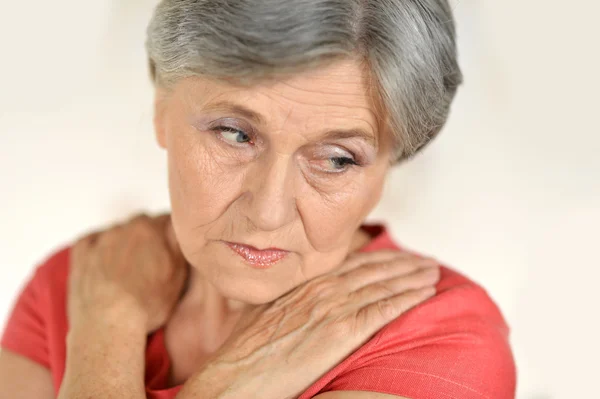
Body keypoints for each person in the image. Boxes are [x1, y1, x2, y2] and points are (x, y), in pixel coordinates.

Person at [0, 0, 516, 398]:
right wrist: (107, 328)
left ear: (392, 162)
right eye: (234, 133)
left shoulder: (437, 343)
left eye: (337, 159)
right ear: (161, 106)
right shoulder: (81, 283)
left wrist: (101, 349)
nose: (268, 211)